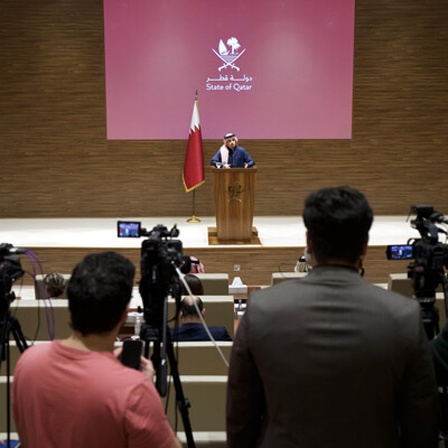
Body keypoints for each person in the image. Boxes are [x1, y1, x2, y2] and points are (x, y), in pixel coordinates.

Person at [226, 186, 439, 448]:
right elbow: (421, 429)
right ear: (364, 246)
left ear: (309, 242)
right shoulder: (404, 316)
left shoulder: (260, 309)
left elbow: (240, 421)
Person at [13, 251, 181, 448]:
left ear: (71, 304)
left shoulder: (27, 361)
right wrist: (146, 394)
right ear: (125, 313)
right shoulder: (134, 389)